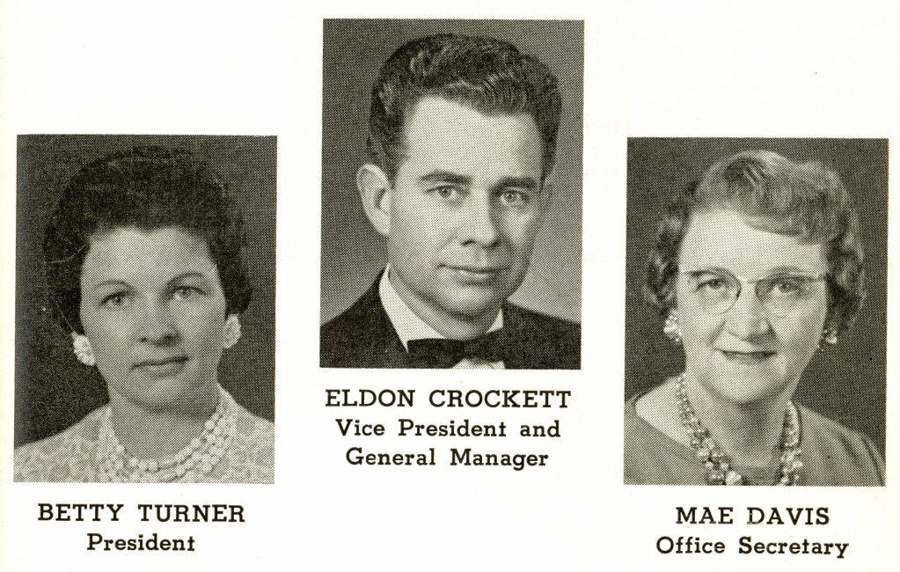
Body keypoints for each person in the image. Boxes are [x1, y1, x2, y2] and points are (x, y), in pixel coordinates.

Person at [14, 146, 274, 483]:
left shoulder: (292, 464)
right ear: (78, 324)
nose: (157, 330)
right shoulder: (26, 473)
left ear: (229, 303)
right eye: (118, 298)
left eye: (184, 291)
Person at [321, 33, 580, 369]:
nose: (485, 233)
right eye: (447, 191)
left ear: (541, 207)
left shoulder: (580, 355)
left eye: (512, 196)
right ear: (380, 201)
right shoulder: (315, 362)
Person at [625, 150, 884, 486]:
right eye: (714, 283)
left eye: (785, 286)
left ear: (832, 310)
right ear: (673, 300)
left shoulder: (860, 465)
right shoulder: (610, 458)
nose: (747, 326)